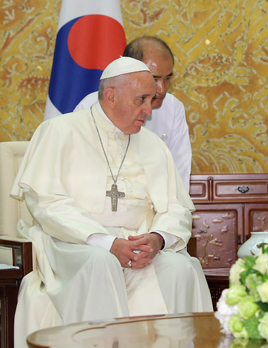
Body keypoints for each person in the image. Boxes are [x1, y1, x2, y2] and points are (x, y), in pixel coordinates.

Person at [11, 57, 212, 348]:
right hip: (74, 245)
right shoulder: (59, 131)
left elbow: (176, 207)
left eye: (151, 99)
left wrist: (157, 239)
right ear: (111, 96)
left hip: (137, 248)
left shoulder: (153, 144)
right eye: (141, 100)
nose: (148, 110)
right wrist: (106, 242)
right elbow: (46, 203)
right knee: (100, 261)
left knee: (180, 269)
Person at [74, 37, 192, 190]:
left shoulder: (172, 108)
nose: (162, 89)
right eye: (154, 79)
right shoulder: (89, 108)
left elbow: (178, 176)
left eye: (167, 78)